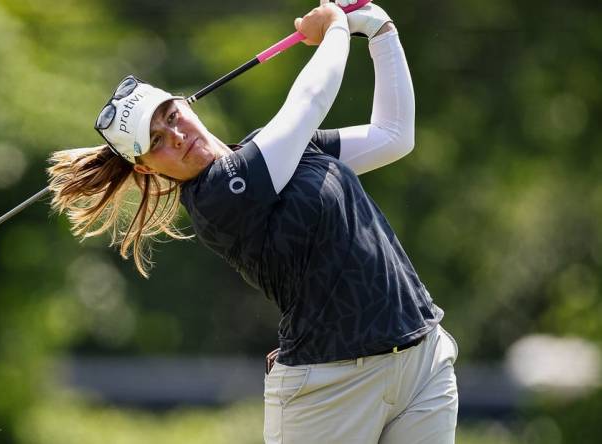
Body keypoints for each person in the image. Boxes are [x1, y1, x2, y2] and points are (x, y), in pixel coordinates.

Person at [48, 1, 459, 443]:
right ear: (146, 168)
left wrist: (380, 32)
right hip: (328, 390)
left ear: (186, 104)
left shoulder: (275, 145)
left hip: (419, 357)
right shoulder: (217, 196)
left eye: (171, 117)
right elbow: (309, 100)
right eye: (157, 143)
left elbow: (393, 136)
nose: (178, 137)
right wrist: (337, 28)